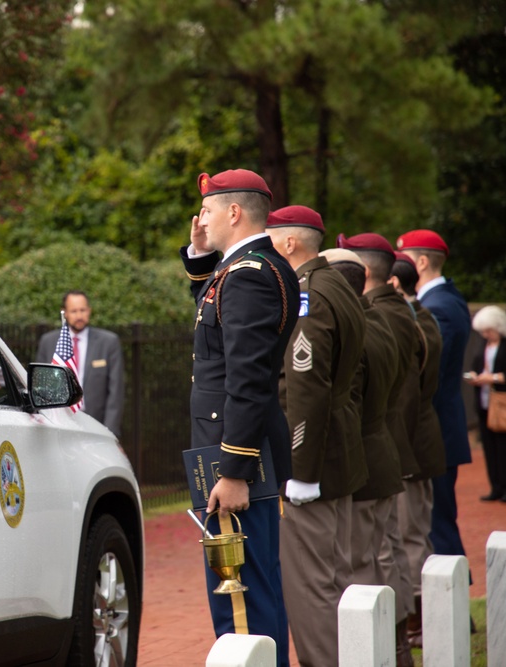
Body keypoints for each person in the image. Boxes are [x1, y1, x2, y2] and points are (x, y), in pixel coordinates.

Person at [180, 169, 299, 667]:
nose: (200, 218)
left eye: (206, 210)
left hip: (235, 457)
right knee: (246, 590)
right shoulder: (242, 269)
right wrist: (201, 256)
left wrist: (234, 471)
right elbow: (214, 316)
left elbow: (247, 380)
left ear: (233, 212)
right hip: (232, 447)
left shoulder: (249, 275)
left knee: (241, 599)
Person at [266, 206, 367, 667]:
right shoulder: (336, 286)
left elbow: (305, 386)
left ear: (290, 244)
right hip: (338, 449)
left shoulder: (308, 293)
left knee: (311, 588)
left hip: (314, 459)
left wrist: (299, 472)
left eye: (271, 240)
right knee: (339, 577)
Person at [337, 232, 419, 666]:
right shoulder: (389, 318)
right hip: (383, 447)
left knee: (368, 564)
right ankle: (398, 644)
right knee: (386, 554)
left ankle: (386, 647)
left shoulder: (369, 324)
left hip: (370, 452)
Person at [395, 230, 472, 565]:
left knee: (435, 527)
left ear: (421, 262)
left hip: (433, 431)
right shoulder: (443, 301)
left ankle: (455, 616)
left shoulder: (437, 306)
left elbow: (426, 375)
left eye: (401, 258)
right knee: (430, 523)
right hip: (437, 429)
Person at [390, 251, 447, 648]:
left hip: (409, 446)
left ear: (394, 284)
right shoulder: (417, 315)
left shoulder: (410, 321)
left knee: (410, 537)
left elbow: (407, 397)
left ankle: (417, 624)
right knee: (411, 536)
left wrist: (400, 457)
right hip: (415, 442)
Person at [37, 291, 125, 438]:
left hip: (96, 425)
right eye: (74, 311)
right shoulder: (49, 342)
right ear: (65, 313)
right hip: (59, 424)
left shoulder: (108, 342)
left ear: (89, 311)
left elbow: (115, 392)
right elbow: (41, 386)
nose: (79, 316)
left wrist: (110, 431)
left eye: (82, 310)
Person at [465, 305, 506, 503]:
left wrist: (494, 378)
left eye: (489, 330)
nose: (485, 334)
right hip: (485, 403)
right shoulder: (484, 344)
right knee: (490, 447)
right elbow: (477, 364)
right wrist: (475, 376)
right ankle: (496, 486)